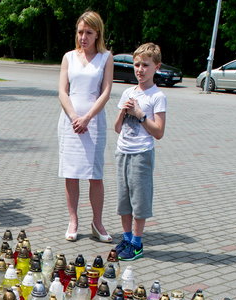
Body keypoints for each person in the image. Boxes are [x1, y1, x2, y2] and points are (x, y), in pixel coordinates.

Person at [57, 11, 114, 243]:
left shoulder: (106, 57)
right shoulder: (68, 57)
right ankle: (73, 221)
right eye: (80, 32)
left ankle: (97, 222)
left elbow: (106, 91)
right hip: (70, 123)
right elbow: (62, 90)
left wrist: (88, 117)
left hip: (94, 123)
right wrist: (74, 117)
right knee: (71, 174)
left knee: (95, 175)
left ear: (97, 33)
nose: (83, 37)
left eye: (88, 32)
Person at [112, 42, 167, 261]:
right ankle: (126, 238)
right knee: (123, 200)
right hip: (122, 151)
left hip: (141, 154)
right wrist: (124, 112)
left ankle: (137, 242)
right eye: (136, 64)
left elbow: (159, 132)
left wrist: (140, 114)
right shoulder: (127, 91)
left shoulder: (157, 96)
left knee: (139, 200)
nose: (140, 70)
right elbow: (117, 128)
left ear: (156, 67)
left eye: (145, 65)